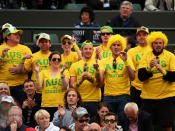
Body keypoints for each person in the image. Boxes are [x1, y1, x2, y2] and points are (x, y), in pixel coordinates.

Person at [138, 31, 175, 131]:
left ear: (164, 44)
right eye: (156, 43)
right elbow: (140, 77)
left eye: (160, 43)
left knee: (167, 126)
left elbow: (173, 77)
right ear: (151, 44)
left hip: (166, 97)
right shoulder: (146, 56)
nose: (158, 45)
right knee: (148, 126)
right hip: (148, 98)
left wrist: (161, 70)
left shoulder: (170, 56)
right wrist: (149, 67)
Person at [99, 34, 135, 115]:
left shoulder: (127, 58)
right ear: (110, 47)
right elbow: (100, 78)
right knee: (109, 122)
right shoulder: (104, 61)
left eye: (118, 45)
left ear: (122, 47)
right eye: (114, 45)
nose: (116, 47)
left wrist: (126, 62)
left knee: (122, 122)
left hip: (124, 96)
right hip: (108, 96)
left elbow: (132, 77)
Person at [0, 26, 32, 104]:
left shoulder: (25, 49)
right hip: (4, 86)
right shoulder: (0, 48)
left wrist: (19, 69)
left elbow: (29, 67)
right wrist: (2, 57)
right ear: (8, 36)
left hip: (21, 85)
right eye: (15, 34)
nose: (18, 36)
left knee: (22, 108)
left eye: (18, 34)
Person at [69, 40, 101, 118]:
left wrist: (89, 78)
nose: (88, 51)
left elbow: (99, 84)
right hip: (79, 100)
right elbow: (72, 86)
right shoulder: (74, 65)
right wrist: (81, 80)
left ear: (93, 50)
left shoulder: (98, 63)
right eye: (86, 49)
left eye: (90, 49)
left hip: (94, 100)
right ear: (81, 50)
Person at [34, 51, 69, 119]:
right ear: (50, 61)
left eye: (58, 59)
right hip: (46, 105)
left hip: (60, 105)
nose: (56, 61)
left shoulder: (65, 72)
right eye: (54, 59)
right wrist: (37, 73)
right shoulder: (43, 72)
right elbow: (38, 87)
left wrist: (62, 74)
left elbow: (65, 86)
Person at [127, 26, 151, 107]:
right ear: (136, 37)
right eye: (139, 35)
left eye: (144, 35)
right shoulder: (131, 51)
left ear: (148, 36)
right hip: (136, 87)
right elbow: (131, 71)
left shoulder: (153, 50)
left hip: (150, 87)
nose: (141, 37)